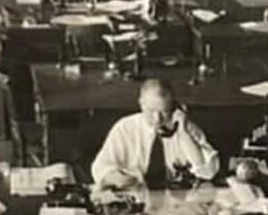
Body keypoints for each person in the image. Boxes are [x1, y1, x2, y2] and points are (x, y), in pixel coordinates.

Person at [90, 78, 220, 189]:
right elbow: (100, 168)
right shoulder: (125, 128)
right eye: (151, 111)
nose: (158, 119)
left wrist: (183, 134)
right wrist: (119, 179)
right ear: (141, 104)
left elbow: (209, 172)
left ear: (174, 107)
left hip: (178, 206)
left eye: (164, 111)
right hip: (136, 200)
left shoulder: (187, 129)